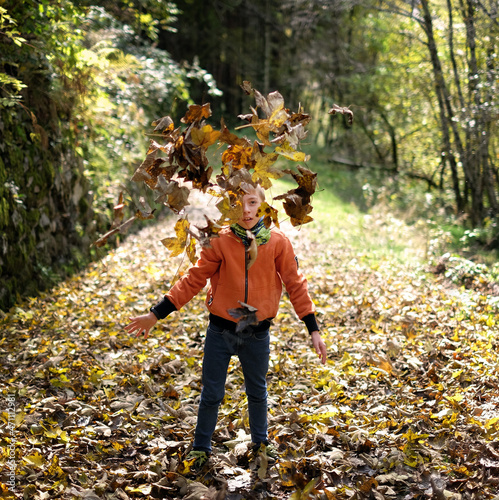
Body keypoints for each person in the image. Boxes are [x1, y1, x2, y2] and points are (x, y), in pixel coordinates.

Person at [125, 185, 327, 467]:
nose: (245, 210)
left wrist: (313, 329)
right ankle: (200, 447)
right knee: (212, 393)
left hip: (256, 333)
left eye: (252, 202)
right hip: (221, 332)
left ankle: (261, 444)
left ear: (262, 205)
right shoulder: (218, 240)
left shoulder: (277, 242)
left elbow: (295, 284)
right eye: (238, 203)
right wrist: (156, 314)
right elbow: (193, 279)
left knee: (257, 392)